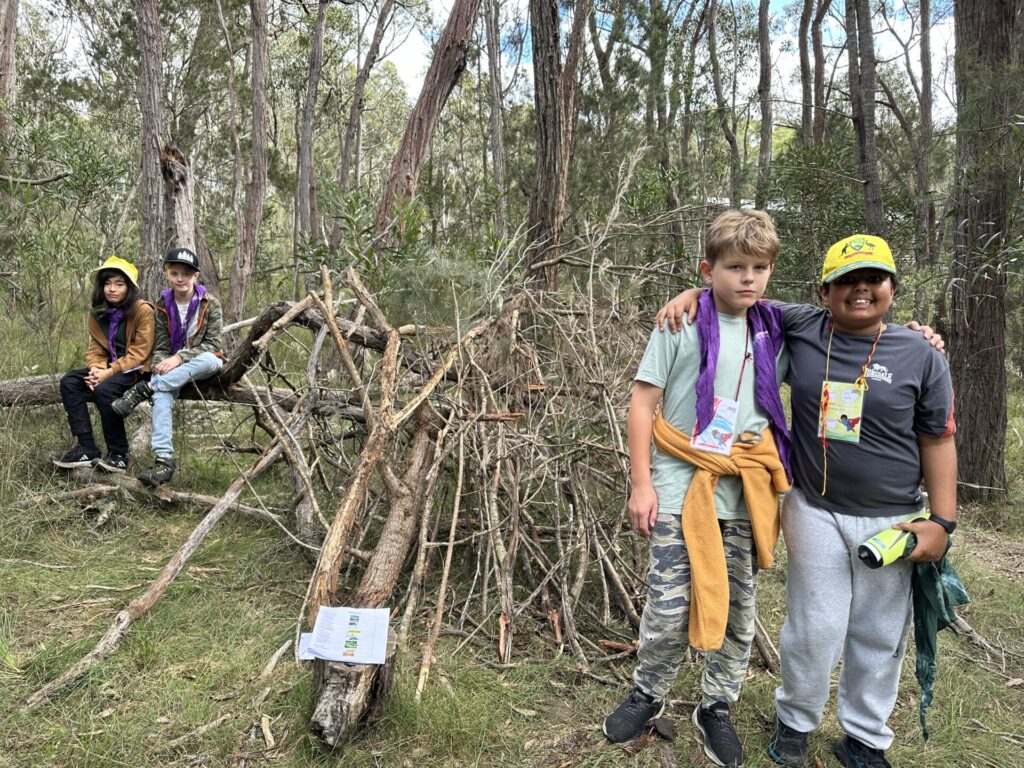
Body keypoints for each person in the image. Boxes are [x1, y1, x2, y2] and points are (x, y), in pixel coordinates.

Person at [657, 235, 957, 768]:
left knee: (879, 632)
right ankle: (795, 721)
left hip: (891, 518)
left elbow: (938, 438)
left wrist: (942, 521)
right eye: (846, 280)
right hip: (813, 508)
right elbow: (734, 291)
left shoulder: (920, 353)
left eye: (874, 279)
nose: (860, 288)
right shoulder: (799, 327)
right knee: (813, 626)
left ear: (891, 288)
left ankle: (864, 737)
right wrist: (689, 294)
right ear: (824, 291)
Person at [603, 210, 791, 768]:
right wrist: (641, 483)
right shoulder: (680, 324)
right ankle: (648, 691)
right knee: (666, 604)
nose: (748, 279)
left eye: (759, 268)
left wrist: (915, 335)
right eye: (735, 267)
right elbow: (642, 403)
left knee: (738, 607)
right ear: (710, 270)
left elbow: (849, 327)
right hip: (680, 485)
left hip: (744, 491)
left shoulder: (779, 330)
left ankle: (717, 705)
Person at [111, 247, 225, 486]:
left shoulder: (209, 303)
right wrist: (163, 364)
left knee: (210, 359)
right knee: (162, 396)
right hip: (172, 373)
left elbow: (214, 344)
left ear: (196, 275)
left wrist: (180, 358)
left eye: (186, 273)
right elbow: (160, 345)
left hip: (201, 364)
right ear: (167, 274)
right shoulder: (162, 304)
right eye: (175, 273)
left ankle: (147, 387)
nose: (180, 278)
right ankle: (164, 461)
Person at [50, 256, 155, 472]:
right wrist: (96, 368)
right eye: (107, 283)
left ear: (129, 287)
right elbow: (97, 347)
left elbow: (141, 352)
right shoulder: (98, 312)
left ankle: (118, 454)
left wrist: (107, 374)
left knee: (104, 390)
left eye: (119, 284)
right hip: (110, 368)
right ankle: (86, 448)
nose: (112, 289)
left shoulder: (143, 310)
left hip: (137, 369)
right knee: (70, 381)